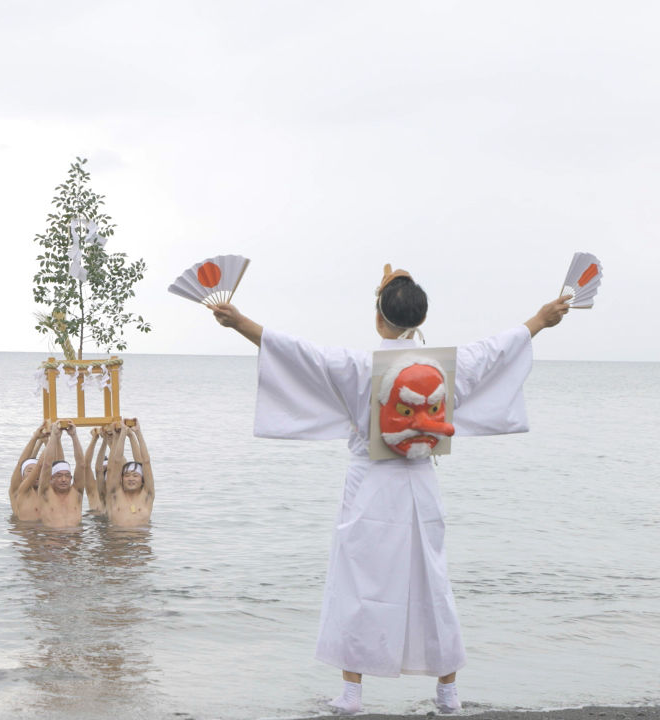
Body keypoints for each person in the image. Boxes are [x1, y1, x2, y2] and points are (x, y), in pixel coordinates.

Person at [211, 264, 571, 715]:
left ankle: (352, 695)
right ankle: (447, 693)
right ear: (420, 320)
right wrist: (541, 318)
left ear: (378, 317)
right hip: (421, 485)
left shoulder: (360, 367)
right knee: (432, 584)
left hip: (371, 486)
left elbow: (300, 355)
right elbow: (498, 349)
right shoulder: (447, 368)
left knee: (359, 583)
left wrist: (239, 321)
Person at [104, 420, 154, 527]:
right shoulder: (115, 493)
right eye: (127, 475)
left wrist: (137, 433)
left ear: (142, 479)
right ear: (121, 479)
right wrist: (121, 435)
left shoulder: (147, 495)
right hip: (117, 541)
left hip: (140, 541)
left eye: (135, 475)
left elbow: (146, 462)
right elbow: (116, 462)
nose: (131, 478)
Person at [37, 421, 85, 528]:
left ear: (71, 478)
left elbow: (81, 464)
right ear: (51, 478)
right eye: (59, 476)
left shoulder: (77, 492)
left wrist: (74, 435)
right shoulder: (45, 493)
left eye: (67, 476)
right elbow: (47, 464)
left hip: (74, 540)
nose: (64, 479)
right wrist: (54, 436)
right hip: (52, 540)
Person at [9, 424, 49, 522]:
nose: (34, 474)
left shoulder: (46, 492)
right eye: (30, 471)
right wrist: (34, 438)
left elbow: (55, 464)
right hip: (23, 532)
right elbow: (21, 465)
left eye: (36, 472)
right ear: (22, 476)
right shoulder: (16, 491)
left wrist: (46, 442)